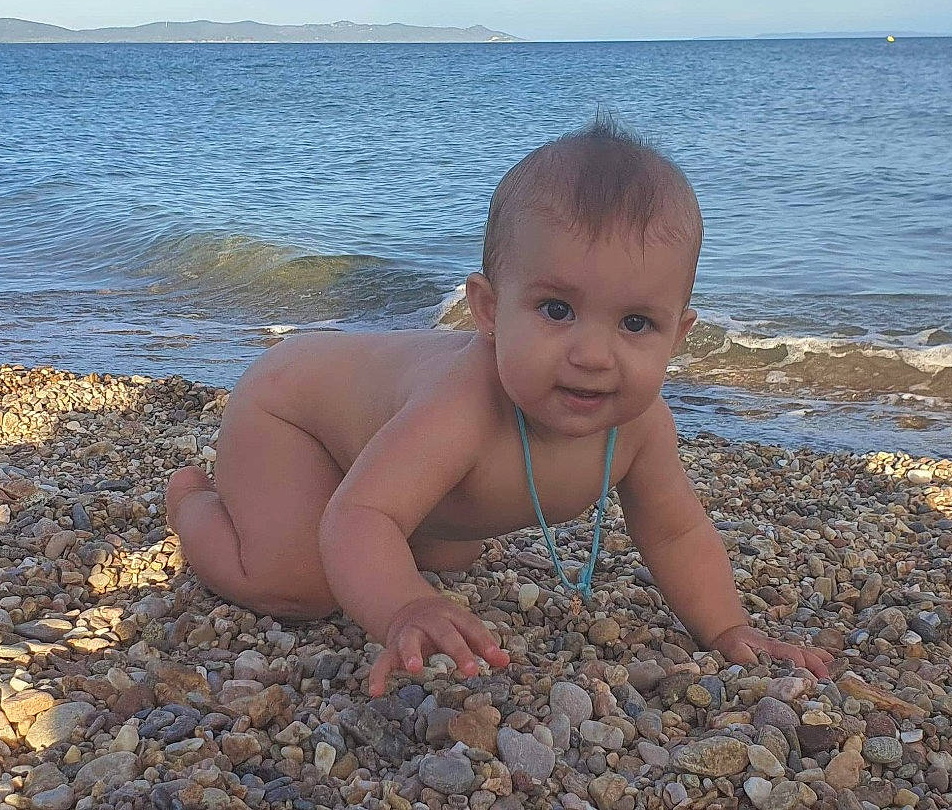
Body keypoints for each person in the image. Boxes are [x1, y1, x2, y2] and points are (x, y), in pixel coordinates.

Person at [166, 118, 834, 696]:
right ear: (488, 310)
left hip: (373, 436)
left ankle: (406, 523)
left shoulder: (640, 426)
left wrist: (728, 627)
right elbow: (359, 515)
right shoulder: (462, 407)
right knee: (302, 585)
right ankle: (191, 501)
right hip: (292, 416)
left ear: (678, 335)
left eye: (635, 323)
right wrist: (404, 606)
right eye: (557, 310)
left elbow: (676, 532)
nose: (593, 355)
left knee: (446, 555)